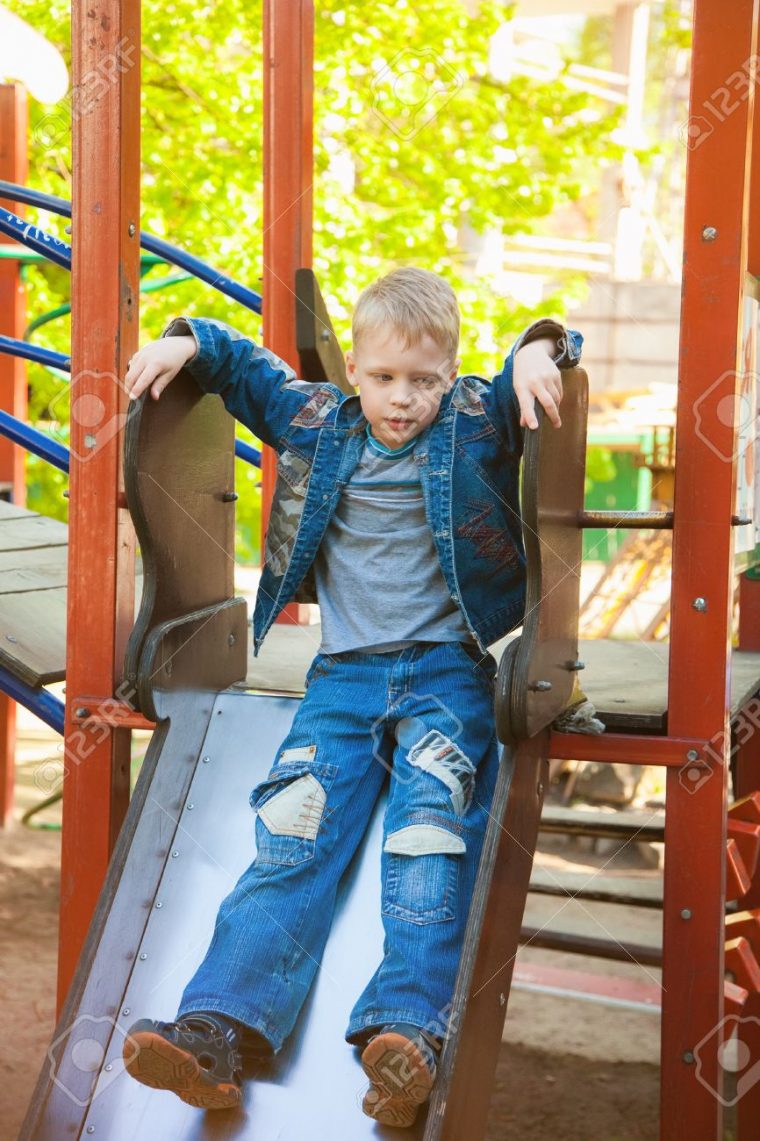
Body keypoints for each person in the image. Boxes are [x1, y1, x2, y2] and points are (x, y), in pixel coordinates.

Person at [121, 267, 582, 1126]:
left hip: (448, 674)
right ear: (355, 370)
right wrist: (184, 338)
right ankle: (216, 1029)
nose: (401, 399)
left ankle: (406, 1033)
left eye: (423, 380)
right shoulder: (319, 423)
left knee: (429, 837)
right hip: (343, 676)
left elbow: (555, 349)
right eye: (382, 378)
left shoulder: (477, 422)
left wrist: (537, 350)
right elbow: (240, 365)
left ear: (451, 376)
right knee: (291, 837)